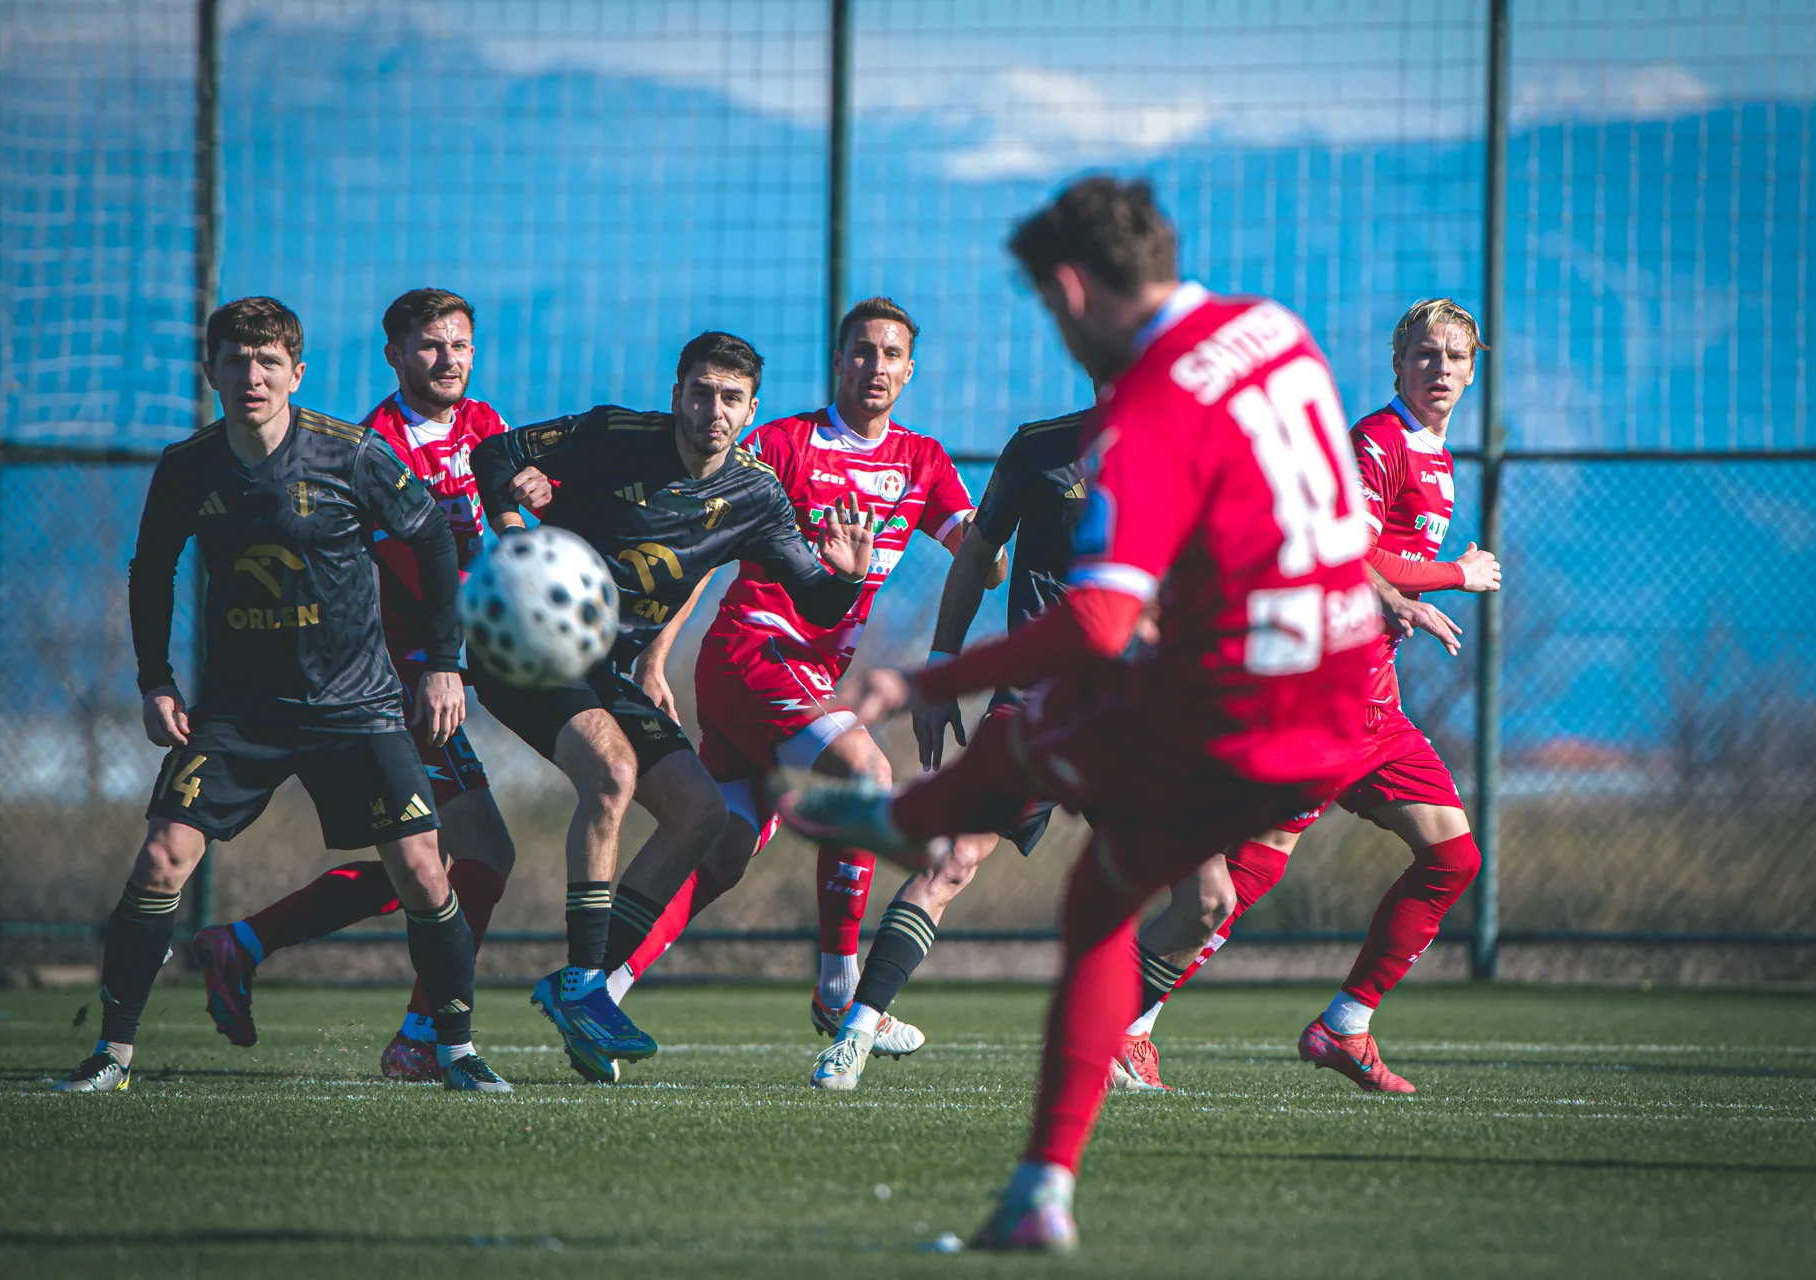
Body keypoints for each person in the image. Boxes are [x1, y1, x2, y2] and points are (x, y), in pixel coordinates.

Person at [779, 176, 1378, 1251]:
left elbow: (1098, 620)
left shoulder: (1145, 416)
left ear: (1069, 289)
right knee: (1111, 883)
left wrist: (922, 680)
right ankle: (1040, 1189)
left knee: (1049, 739)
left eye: (1048, 312)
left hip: (1239, 698)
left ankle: (910, 815)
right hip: (1341, 703)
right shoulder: (1275, 331)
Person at [57, 296, 508, 1095]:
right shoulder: (188, 466)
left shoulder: (351, 455)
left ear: (296, 374)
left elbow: (434, 539)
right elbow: (151, 570)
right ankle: (111, 1057)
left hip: (358, 706)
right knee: (161, 860)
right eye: (237, 361)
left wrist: (445, 664)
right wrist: (155, 680)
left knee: (423, 871)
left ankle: (456, 1053)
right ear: (212, 372)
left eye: (269, 362)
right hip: (238, 713)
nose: (252, 377)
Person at [600, 298, 1006, 1091]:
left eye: (891, 354)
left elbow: (980, 563)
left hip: (805, 683)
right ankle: (839, 987)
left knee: (722, 849)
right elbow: (702, 550)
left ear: (910, 371)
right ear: (838, 360)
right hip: (753, 652)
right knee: (867, 774)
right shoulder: (784, 444)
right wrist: (655, 653)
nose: (876, 366)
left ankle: (598, 992)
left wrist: (998, 532)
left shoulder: (923, 461)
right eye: (862, 351)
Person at [466, 330, 877, 1083]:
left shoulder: (756, 495)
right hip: (529, 651)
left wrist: (847, 577)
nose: (713, 411)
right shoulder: (614, 433)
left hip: (604, 671)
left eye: (730, 399)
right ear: (677, 394)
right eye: (700, 393)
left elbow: (817, 601)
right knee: (614, 774)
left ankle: (585, 992)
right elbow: (495, 452)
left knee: (701, 813)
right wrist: (517, 535)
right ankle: (583, 985)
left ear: (750, 411)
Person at [1117, 298, 1501, 1095]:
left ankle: (1345, 1025)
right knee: (1248, 872)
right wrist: (1452, 575)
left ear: (1473, 371)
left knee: (1453, 858)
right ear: (1398, 363)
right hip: (1324, 692)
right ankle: (1126, 1020)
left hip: (1376, 702)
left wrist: (1402, 601)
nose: (1439, 369)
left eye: (1455, 357)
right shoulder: (1378, 441)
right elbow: (1347, 550)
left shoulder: (1435, 455)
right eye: (1425, 354)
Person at [189, 288, 525, 1083]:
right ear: (395, 356)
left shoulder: (485, 425)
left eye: (461, 345)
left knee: (435, 861)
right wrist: (473, 632)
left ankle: (242, 943)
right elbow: (413, 568)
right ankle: (422, 1036)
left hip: (443, 665)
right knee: (475, 853)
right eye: (431, 346)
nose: (449, 359)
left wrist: (525, 521)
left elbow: (509, 516)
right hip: (393, 679)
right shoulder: (375, 447)